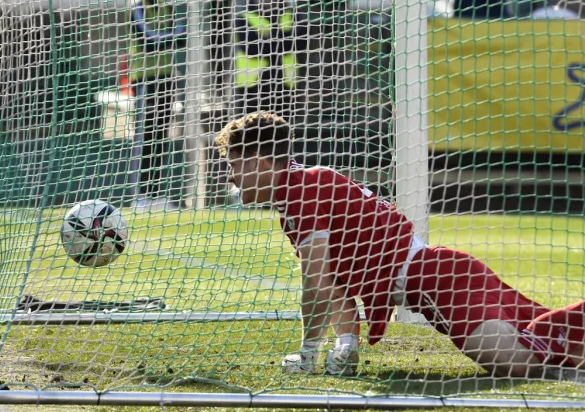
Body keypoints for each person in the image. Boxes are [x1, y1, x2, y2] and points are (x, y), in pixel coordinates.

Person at [215, 111, 585, 378]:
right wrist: (347, 343)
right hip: (435, 285)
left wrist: (308, 351)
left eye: (234, 166)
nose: (231, 179)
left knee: (517, 364)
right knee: (537, 356)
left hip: (443, 279)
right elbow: (335, 284)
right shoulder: (295, 197)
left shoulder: (304, 189)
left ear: (261, 163)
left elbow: (315, 282)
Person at [127, 0, 186, 212]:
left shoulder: (166, 5)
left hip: (165, 77)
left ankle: (157, 192)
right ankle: (140, 195)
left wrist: (175, 36)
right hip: (144, 79)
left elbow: (180, 36)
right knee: (145, 135)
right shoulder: (137, 4)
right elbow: (148, 37)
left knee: (162, 134)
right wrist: (173, 36)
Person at [234, 0, 307, 118]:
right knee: (251, 129)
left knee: (282, 128)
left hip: (285, 86)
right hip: (252, 87)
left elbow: (301, 41)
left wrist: (268, 39)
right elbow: (251, 49)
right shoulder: (244, 17)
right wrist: (283, 38)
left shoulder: (291, 15)